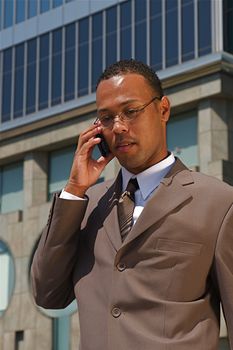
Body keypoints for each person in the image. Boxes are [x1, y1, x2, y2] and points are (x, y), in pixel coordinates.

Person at [31, 59, 233, 350]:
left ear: (163, 109)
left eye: (131, 111)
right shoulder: (86, 206)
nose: (119, 127)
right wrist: (75, 190)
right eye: (107, 117)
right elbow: (47, 294)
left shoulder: (219, 203)